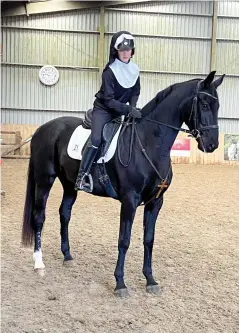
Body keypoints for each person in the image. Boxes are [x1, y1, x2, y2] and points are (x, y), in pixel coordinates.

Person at [75, 30, 142, 192]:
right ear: (116, 51)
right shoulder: (109, 71)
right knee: (97, 139)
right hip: (103, 110)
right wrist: (127, 109)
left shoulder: (134, 70)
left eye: (128, 50)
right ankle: (82, 176)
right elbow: (109, 99)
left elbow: (135, 92)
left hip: (120, 111)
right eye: (122, 50)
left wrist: (132, 108)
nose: (125, 53)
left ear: (132, 51)